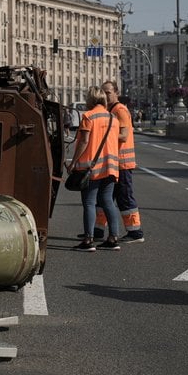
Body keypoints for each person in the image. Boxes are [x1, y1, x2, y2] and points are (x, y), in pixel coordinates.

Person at [66, 86, 122, 252]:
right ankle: (113, 238)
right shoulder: (113, 118)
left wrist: (73, 162)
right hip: (111, 167)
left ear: (89, 99)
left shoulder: (88, 116)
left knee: (89, 202)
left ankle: (88, 240)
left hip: (91, 168)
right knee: (108, 202)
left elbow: (84, 142)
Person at [93, 80, 145, 243]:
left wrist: (103, 136)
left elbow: (123, 135)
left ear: (116, 92)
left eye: (108, 92)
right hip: (113, 162)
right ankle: (98, 230)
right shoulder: (109, 110)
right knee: (104, 197)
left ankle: (135, 232)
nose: (105, 95)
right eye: (103, 92)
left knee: (124, 197)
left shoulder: (120, 110)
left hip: (122, 162)